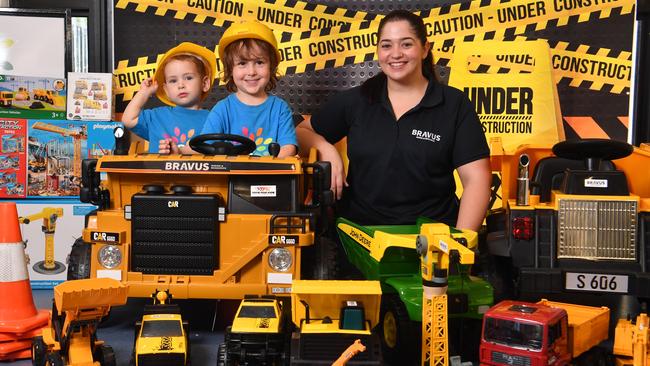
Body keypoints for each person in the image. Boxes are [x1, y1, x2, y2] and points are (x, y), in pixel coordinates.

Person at [296, 10, 491, 231]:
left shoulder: (454, 104)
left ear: (425, 48)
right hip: (359, 235)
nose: (395, 54)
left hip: (431, 240)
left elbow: (477, 180)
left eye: (406, 44)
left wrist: (460, 244)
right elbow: (301, 132)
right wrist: (325, 148)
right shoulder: (357, 100)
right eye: (386, 45)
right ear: (378, 50)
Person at [160, 21, 297, 158]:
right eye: (242, 63)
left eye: (259, 62)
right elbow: (203, 146)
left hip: (270, 177)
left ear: (271, 66)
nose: (251, 72)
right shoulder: (222, 109)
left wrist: (270, 166)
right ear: (230, 69)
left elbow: (288, 147)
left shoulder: (280, 108)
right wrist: (180, 151)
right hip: (229, 177)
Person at [121, 42, 216, 153]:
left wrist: (180, 151)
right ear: (166, 90)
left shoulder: (214, 119)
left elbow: (215, 151)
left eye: (188, 78)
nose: (180, 85)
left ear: (204, 84)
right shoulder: (157, 117)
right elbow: (128, 120)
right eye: (173, 81)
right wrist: (144, 92)